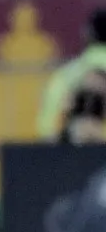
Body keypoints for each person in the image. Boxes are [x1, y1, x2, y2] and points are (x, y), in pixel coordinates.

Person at [38, 9, 106, 140]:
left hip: (75, 151)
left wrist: (51, 140)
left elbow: (47, 121)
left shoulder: (67, 74)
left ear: (88, 35)